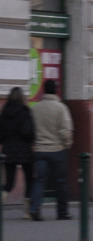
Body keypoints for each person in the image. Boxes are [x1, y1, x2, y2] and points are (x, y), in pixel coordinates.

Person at [28, 79, 73, 221]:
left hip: (40, 149)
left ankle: (34, 208)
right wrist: (67, 144)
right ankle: (62, 212)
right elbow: (66, 130)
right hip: (57, 150)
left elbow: (30, 130)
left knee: (39, 181)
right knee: (60, 181)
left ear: (44, 90)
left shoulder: (35, 108)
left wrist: (34, 144)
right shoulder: (61, 108)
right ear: (56, 90)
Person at [0, 87, 35, 217]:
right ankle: (27, 210)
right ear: (21, 97)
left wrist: (6, 142)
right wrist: (30, 141)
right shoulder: (25, 111)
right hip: (23, 150)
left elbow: (1, 134)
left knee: (9, 182)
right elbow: (28, 132)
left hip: (8, 149)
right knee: (29, 178)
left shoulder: (4, 112)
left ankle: (2, 195)